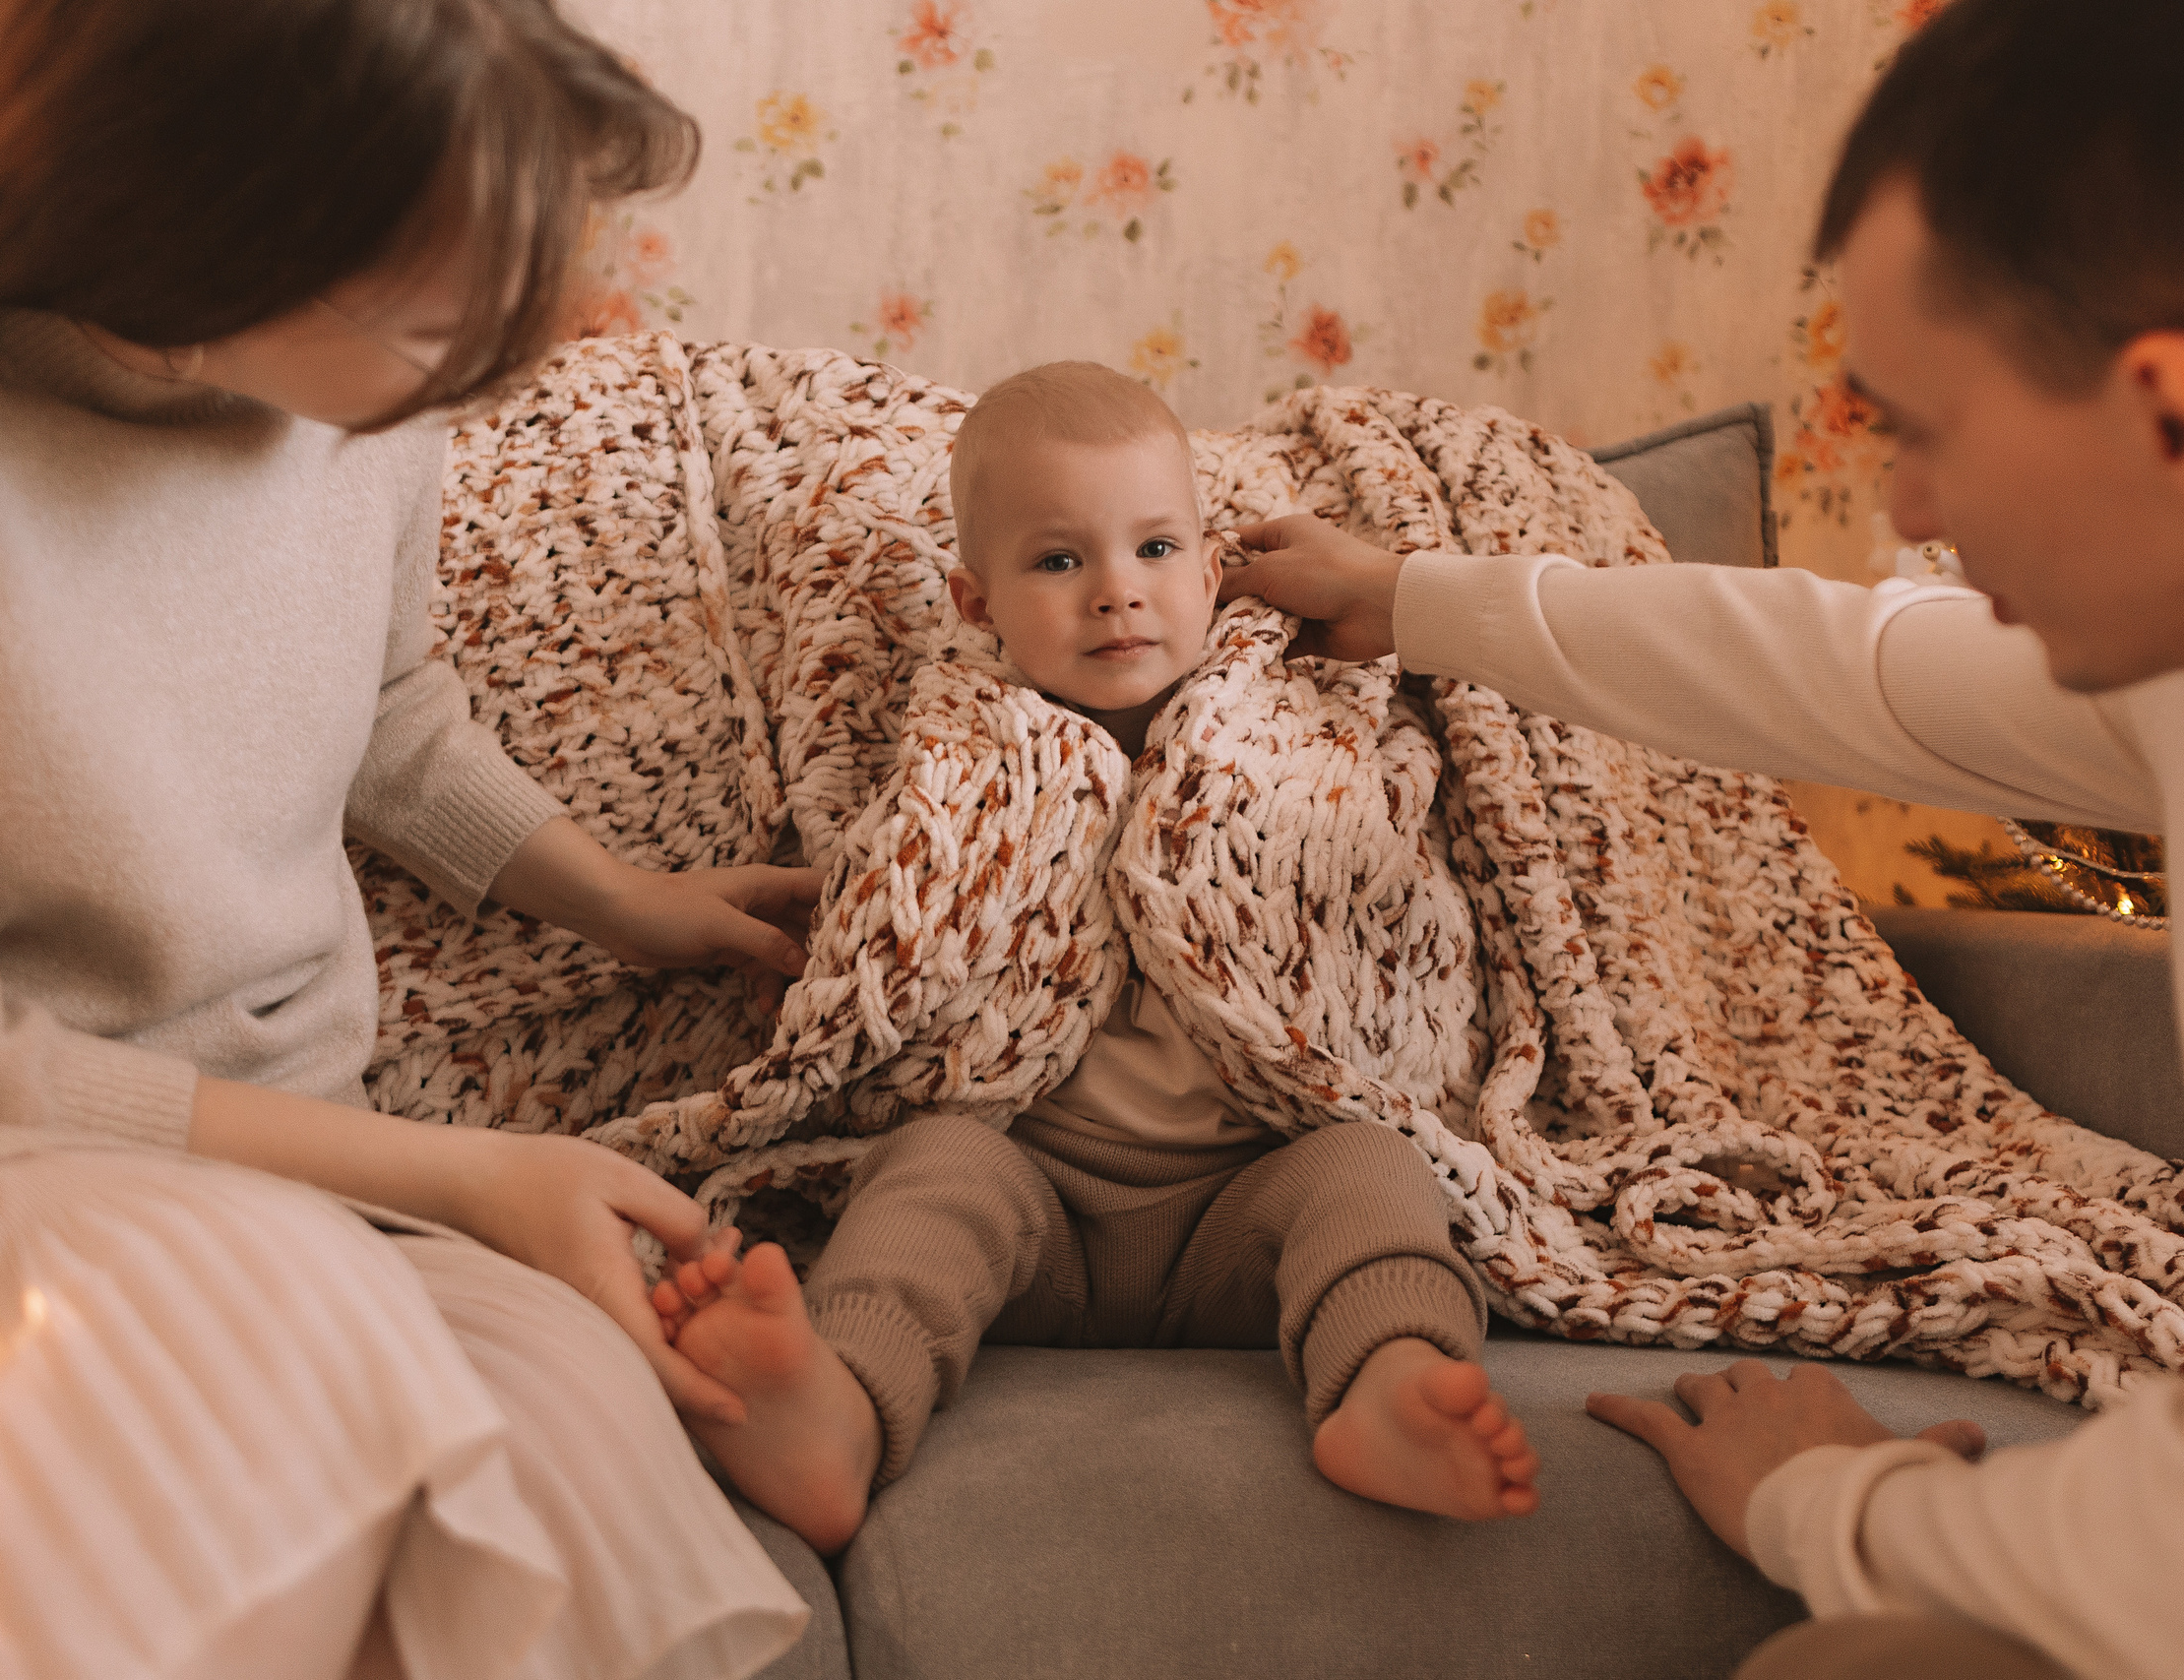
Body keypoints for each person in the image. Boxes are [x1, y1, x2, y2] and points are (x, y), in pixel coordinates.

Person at [1220, 2, 2184, 1676]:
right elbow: (1848, 670)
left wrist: (1828, 1503)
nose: (1904, 505)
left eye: (1923, 427)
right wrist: (1409, 596)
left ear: (2179, 422)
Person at [0, 2, 828, 1675]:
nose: (508, 361)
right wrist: (472, 1173)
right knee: (274, 1392)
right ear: (208, 228)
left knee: (556, 1430)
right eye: (448, 322)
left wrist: (629, 905)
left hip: (309, 1170)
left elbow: (384, 705)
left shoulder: (360, 417)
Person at [646, 362, 1540, 1554]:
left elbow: (1386, 922)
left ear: (1213, 573)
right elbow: (893, 946)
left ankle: (1387, 1385)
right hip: (1039, 1200)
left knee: (1372, 1171)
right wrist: (861, 930)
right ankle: (841, 1407)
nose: (1118, 593)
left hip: (1246, 1199)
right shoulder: (956, 756)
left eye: (1156, 549)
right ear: (977, 603)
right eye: (1060, 562)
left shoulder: (1292, 730)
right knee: (932, 1170)